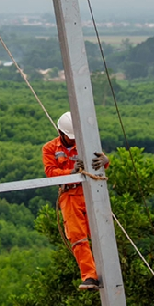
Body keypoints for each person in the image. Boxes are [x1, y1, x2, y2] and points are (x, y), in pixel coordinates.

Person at [42, 111, 110, 290]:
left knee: (99, 233)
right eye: (70, 137)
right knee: (78, 237)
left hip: (89, 193)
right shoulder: (50, 148)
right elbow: (50, 173)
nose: (73, 141)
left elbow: (100, 158)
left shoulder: (85, 143)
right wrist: (70, 173)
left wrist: (105, 160)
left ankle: (109, 271)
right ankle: (90, 276)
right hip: (70, 196)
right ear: (61, 132)